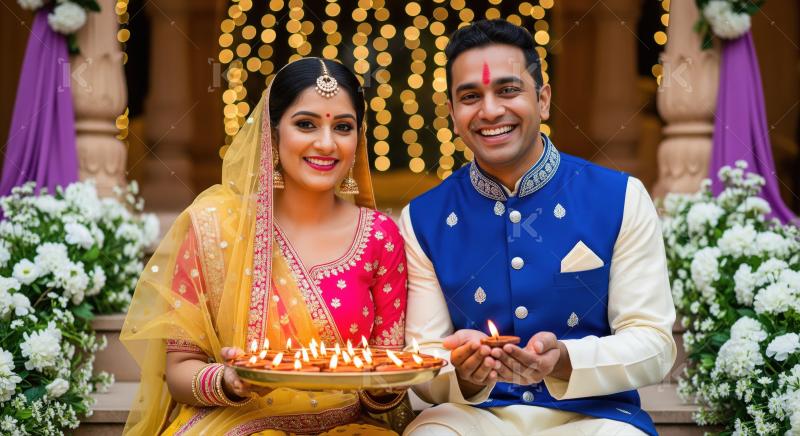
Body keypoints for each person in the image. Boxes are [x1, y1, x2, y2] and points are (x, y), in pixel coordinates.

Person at [399, 19, 676, 436]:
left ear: (543, 100)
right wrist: (466, 374)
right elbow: (422, 361)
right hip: (476, 417)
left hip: (595, 417)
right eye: (471, 96)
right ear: (453, 115)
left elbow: (654, 345)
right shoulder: (424, 218)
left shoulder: (619, 198)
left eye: (508, 90)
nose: (490, 110)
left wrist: (564, 359)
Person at [121, 58, 411, 435]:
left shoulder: (380, 236)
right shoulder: (217, 228)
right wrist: (228, 381)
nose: (326, 143)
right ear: (273, 135)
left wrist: (389, 386)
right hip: (238, 423)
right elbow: (178, 369)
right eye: (306, 124)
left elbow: (388, 376)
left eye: (343, 127)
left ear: (359, 139)